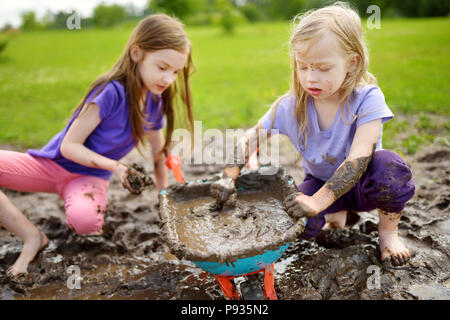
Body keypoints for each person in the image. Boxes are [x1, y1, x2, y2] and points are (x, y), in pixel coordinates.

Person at [211, 2, 415, 267]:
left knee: (389, 168)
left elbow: (359, 158)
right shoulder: (291, 105)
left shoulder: (367, 99)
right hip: (319, 182)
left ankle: (388, 234)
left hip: (366, 186)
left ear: (352, 63)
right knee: (298, 223)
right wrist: (229, 176)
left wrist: (317, 202)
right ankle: (335, 217)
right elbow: (251, 137)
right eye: (303, 66)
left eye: (322, 67)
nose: (311, 78)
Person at [0, 14, 194, 276]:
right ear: (136, 53)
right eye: (162, 67)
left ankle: (74, 203)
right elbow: (70, 146)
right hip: (50, 165)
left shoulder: (153, 103)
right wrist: (115, 166)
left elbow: (159, 157)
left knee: (85, 222)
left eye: (175, 71)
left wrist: (165, 202)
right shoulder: (110, 92)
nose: (168, 79)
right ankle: (32, 236)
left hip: (90, 179)